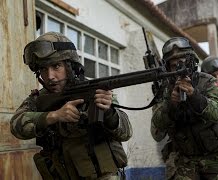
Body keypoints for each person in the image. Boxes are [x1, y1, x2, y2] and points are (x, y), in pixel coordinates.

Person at [10, 32, 132, 179]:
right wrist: (54, 116)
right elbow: (16, 125)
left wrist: (109, 113)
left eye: (56, 66)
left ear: (69, 66)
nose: (50, 76)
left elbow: (126, 133)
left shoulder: (95, 90)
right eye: (43, 69)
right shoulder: (39, 99)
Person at [151, 37, 218, 179]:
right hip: (184, 159)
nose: (180, 68)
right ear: (167, 68)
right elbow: (157, 132)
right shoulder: (164, 91)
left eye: (184, 62)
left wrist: (194, 96)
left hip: (216, 157)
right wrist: (171, 106)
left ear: (193, 62)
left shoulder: (209, 82)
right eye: (174, 65)